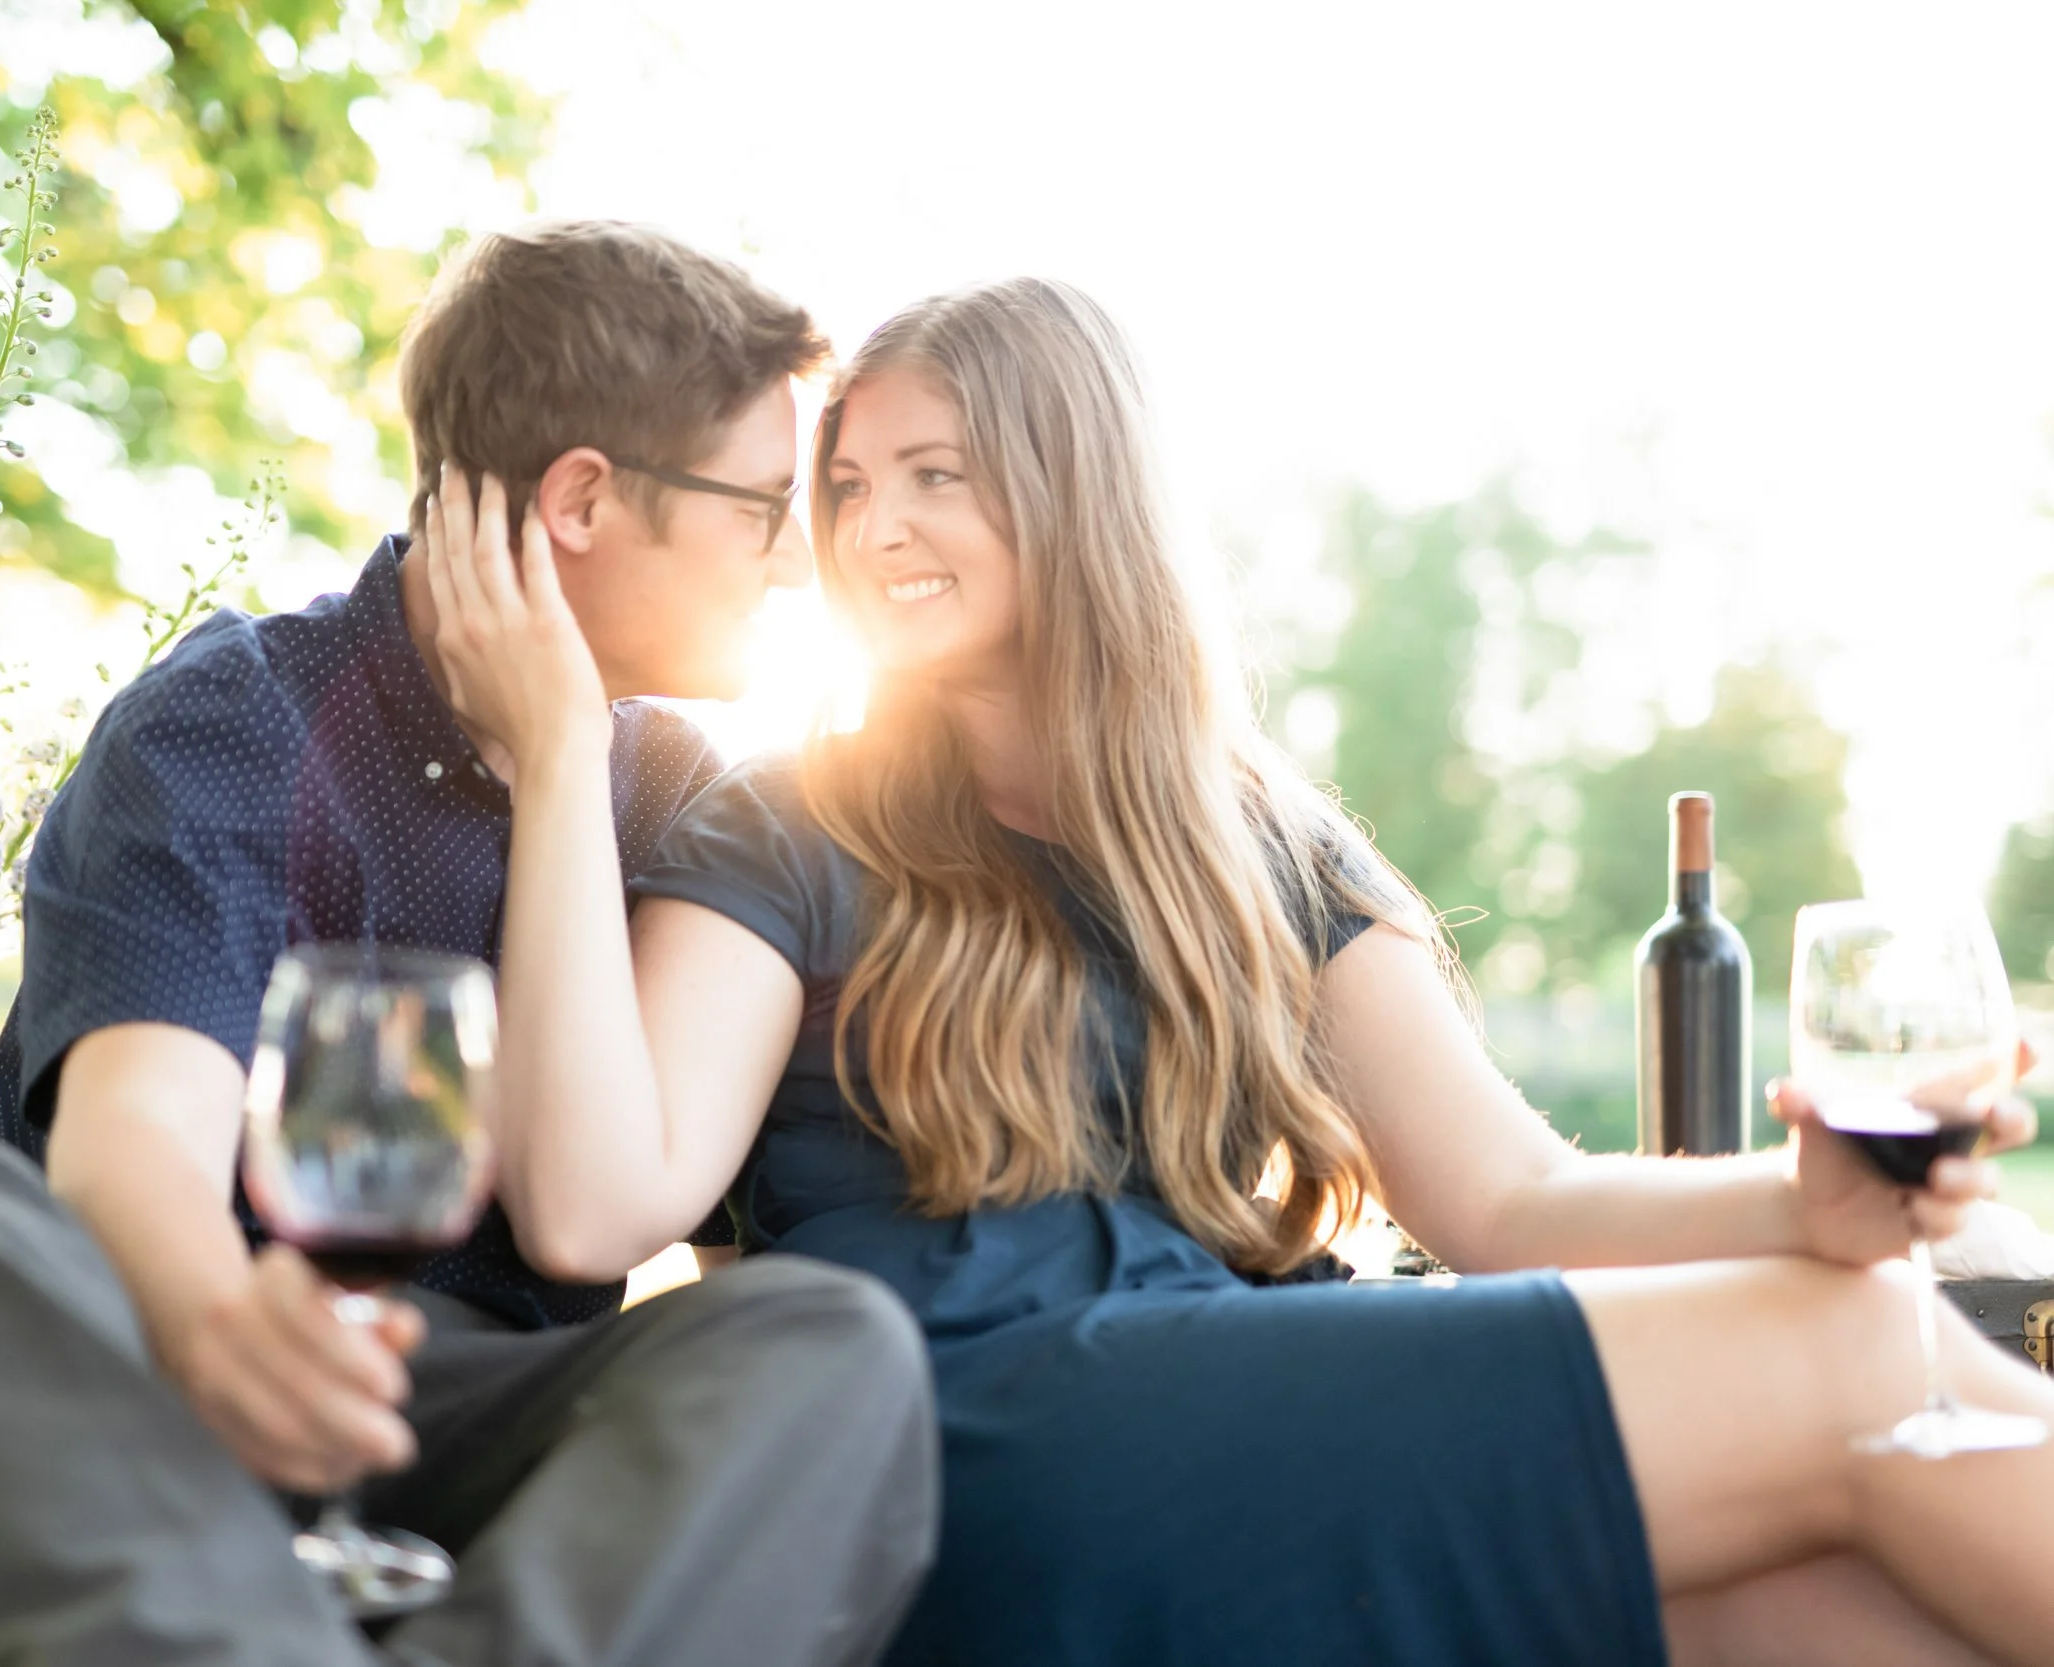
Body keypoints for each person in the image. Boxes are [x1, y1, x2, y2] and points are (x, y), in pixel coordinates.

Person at [420, 275, 2054, 1667]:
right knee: (1871, 1357)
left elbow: (1514, 1202)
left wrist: (1809, 1201)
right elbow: (595, 1205)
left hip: (1228, 1401)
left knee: (1810, 1597)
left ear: (1078, 489)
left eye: (935, 474)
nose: (872, 527)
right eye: (846, 485)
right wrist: (562, 752)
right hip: (970, 1447)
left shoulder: (1260, 835)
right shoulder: (781, 824)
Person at [0, 221, 938, 1667]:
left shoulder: (683, 798)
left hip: (456, 1432)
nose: (795, 568)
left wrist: (564, 756)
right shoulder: (234, 720)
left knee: (830, 1346)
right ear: (583, 499)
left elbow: (655, 1215)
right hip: (143, 1409)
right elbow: (134, 1144)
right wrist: (218, 1326)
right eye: (764, 510)